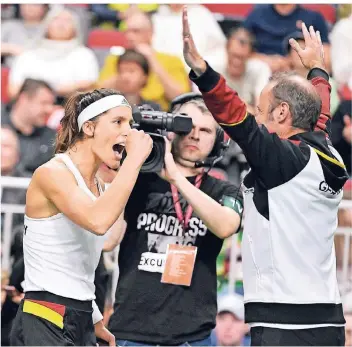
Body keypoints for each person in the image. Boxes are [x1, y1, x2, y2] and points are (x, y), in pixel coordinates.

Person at [182, 6, 348, 346]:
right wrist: (318, 69)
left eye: (262, 110)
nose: (257, 117)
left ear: (282, 112)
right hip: (327, 319)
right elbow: (320, 114)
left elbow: (236, 118)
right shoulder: (326, 153)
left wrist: (202, 71)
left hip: (281, 324)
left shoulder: (283, 158)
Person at [9, 88, 153, 346]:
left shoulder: (99, 184)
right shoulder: (52, 172)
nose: (129, 132)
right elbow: (98, 222)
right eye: (118, 122)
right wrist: (133, 163)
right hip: (46, 312)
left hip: (82, 313)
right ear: (88, 127)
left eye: (130, 123)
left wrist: (95, 318)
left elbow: (101, 245)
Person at [107, 93, 244, 346]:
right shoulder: (137, 180)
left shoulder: (225, 191)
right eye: (187, 126)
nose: (194, 135)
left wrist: (176, 178)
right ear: (171, 130)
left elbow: (226, 226)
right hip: (132, 329)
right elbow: (107, 241)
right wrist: (128, 169)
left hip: (192, 334)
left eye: (205, 131)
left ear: (217, 142)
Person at [99, 11, 190, 111]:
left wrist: (153, 60)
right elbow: (99, 95)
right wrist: (124, 72)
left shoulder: (171, 60)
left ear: (150, 33)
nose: (129, 37)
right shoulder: (114, 59)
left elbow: (181, 98)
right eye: (126, 32)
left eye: (136, 31)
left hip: (159, 116)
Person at [8, 7, 99, 100]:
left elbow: (89, 87)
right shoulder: (27, 55)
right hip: (29, 107)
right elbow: (13, 90)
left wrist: (55, 91)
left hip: (70, 106)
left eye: (68, 20)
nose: (61, 24)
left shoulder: (84, 55)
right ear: (46, 24)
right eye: (56, 19)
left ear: (76, 28)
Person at [244, 4, 331, 73]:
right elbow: (239, 51)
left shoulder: (314, 18)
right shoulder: (256, 15)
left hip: (300, 72)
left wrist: (289, 62)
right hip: (262, 69)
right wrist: (267, 61)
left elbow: (325, 60)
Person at [1, 78, 56, 173]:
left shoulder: (52, 139)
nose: (49, 109)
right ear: (24, 99)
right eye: (44, 103)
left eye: (51, 104)